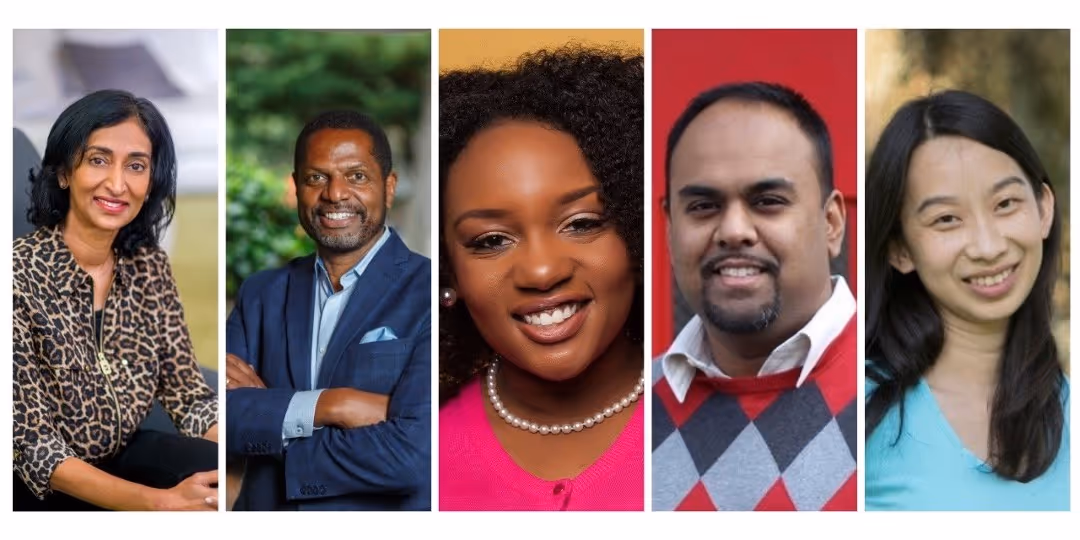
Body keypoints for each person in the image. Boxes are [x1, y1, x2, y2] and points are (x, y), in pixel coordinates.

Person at [438, 46, 645, 511]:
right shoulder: (421, 448)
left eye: (583, 223)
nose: (542, 271)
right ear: (450, 274)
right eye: (490, 240)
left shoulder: (704, 426)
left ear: (635, 232)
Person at [653, 82, 856, 511]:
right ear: (670, 231)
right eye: (703, 206)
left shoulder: (892, 391)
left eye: (767, 201)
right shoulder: (628, 413)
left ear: (833, 223)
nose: (733, 231)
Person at [13, 89, 219, 511]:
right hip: (46, 483)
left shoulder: (148, 265)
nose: (117, 183)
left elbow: (187, 394)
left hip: (124, 452)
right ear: (64, 172)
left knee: (231, 474)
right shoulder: (16, 277)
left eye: (136, 166)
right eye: (98, 159)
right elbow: (34, 446)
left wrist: (258, 441)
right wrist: (158, 504)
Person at [864, 90, 1069, 510]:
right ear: (900, 249)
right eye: (946, 219)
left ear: (1043, 208)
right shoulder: (856, 410)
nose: (988, 246)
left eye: (1006, 203)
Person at [224, 110, 431, 511]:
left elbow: (414, 457)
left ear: (388, 187)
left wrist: (274, 415)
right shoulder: (261, 294)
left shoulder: (431, 292)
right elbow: (223, 417)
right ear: (296, 188)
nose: (335, 193)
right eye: (316, 177)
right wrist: (336, 404)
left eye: (356, 176)